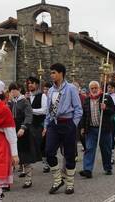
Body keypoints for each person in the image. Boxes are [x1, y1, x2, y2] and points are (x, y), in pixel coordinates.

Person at [43, 63, 83, 195]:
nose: (52, 75)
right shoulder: (50, 90)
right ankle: (58, 179)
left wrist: (73, 124)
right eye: (51, 73)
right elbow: (49, 110)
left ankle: (70, 184)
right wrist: (46, 125)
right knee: (48, 152)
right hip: (54, 124)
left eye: (54, 72)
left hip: (68, 123)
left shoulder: (71, 88)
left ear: (61, 73)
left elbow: (78, 109)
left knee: (69, 154)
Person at [79, 81, 115, 178]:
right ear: (90, 89)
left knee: (106, 150)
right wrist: (82, 127)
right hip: (91, 129)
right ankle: (87, 170)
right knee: (89, 148)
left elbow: (113, 111)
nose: (94, 90)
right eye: (92, 88)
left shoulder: (106, 98)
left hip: (104, 129)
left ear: (99, 88)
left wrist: (106, 108)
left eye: (96, 88)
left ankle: (108, 167)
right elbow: (84, 115)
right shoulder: (87, 100)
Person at [8, 82, 36, 188]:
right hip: (12, 131)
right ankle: (8, 179)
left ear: (19, 90)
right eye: (11, 91)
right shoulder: (10, 103)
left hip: (23, 132)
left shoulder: (24, 101)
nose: (13, 92)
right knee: (11, 156)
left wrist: (23, 128)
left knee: (25, 156)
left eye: (14, 90)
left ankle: (28, 179)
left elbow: (29, 116)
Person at [25, 76, 48, 173]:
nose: (30, 85)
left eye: (32, 83)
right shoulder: (26, 97)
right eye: (28, 83)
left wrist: (31, 110)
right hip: (28, 125)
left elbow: (44, 110)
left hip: (39, 124)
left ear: (37, 85)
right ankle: (26, 167)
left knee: (41, 145)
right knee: (27, 146)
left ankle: (46, 163)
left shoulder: (42, 96)